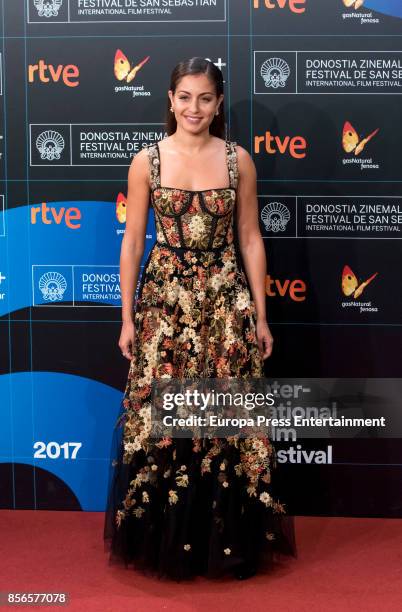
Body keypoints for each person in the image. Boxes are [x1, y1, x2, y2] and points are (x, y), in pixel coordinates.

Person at [103, 57, 297, 581]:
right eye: (185, 97)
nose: (194, 108)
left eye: (205, 98)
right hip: (165, 306)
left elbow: (252, 239)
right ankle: (163, 540)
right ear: (170, 100)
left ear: (217, 104)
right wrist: (127, 319)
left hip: (224, 303)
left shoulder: (238, 161)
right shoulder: (147, 161)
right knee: (163, 422)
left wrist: (260, 314)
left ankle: (227, 540)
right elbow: (134, 241)